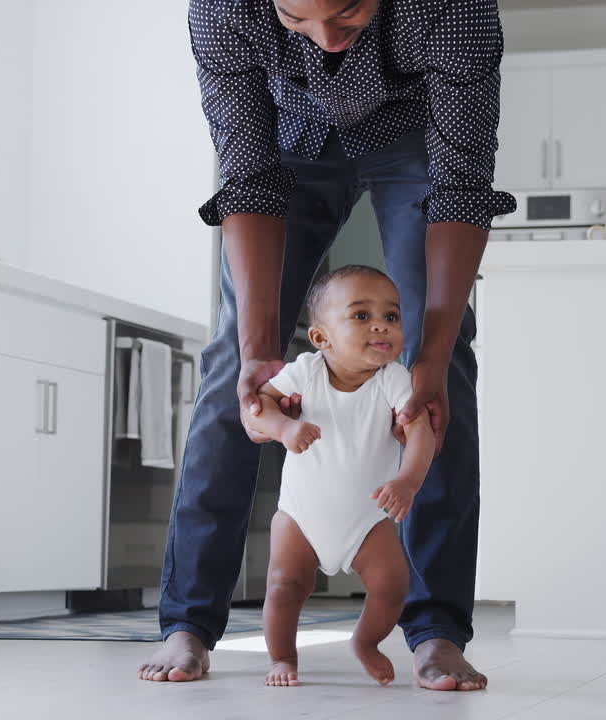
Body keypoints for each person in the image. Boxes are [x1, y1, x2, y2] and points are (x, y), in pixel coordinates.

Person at [137, 0, 515, 691]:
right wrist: (259, 353)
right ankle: (188, 623)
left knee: (441, 358)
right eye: (296, 17)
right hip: (286, 142)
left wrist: (426, 355)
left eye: (347, 12)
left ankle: (436, 633)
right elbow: (246, 175)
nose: (326, 40)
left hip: (416, 140)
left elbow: (461, 186)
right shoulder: (222, 8)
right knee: (236, 364)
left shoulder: (453, 7)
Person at [244, 266, 435, 687]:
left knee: (392, 585)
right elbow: (258, 404)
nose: (382, 325)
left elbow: (422, 433)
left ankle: (366, 642)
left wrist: (407, 481)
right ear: (321, 338)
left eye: (392, 316)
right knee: (284, 585)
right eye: (362, 316)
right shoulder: (306, 371)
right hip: (301, 514)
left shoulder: (393, 379)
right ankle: (281, 657)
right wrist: (284, 428)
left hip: (365, 518)